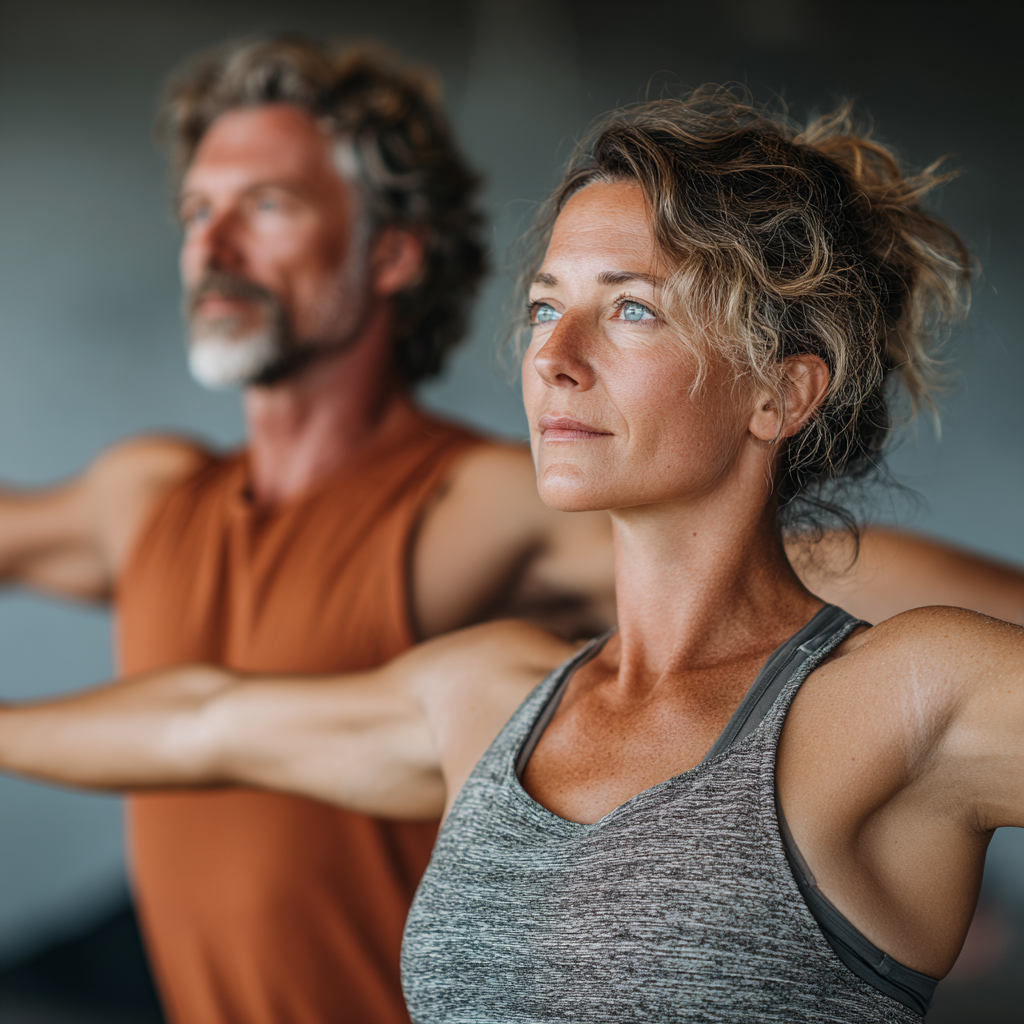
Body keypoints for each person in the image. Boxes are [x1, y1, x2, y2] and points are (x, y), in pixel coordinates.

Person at [2, 88, 1023, 1023]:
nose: (552, 356)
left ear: (780, 393)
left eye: (630, 308)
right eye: (545, 306)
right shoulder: (488, 696)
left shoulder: (906, 696)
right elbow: (200, 724)